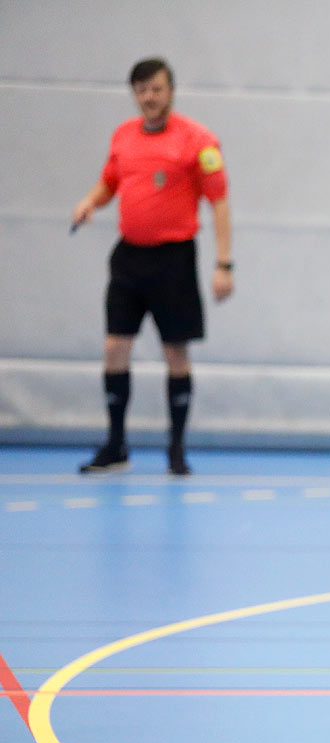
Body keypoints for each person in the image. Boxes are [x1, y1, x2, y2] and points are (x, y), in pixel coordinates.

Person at [71, 56, 233, 476]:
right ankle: (115, 444)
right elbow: (110, 182)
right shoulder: (124, 137)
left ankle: (176, 449)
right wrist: (90, 201)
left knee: (174, 352)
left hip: (173, 260)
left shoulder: (199, 141)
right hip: (130, 257)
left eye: (156, 89)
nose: (149, 97)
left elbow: (218, 203)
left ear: (171, 91)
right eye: (141, 90)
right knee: (114, 347)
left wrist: (224, 263)